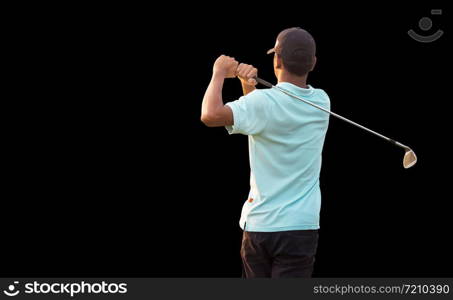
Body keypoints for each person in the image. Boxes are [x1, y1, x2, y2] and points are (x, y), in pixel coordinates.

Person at [200, 27, 330, 278]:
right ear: (312, 63)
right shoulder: (322, 101)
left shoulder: (261, 104)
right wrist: (248, 88)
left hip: (260, 226)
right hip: (301, 226)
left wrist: (218, 73)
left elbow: (210, 115)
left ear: (277, 59)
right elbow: (267, 119)